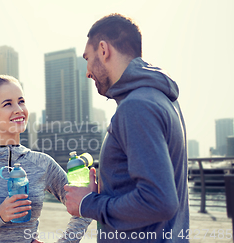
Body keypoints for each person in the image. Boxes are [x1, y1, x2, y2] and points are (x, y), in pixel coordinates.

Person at [64, 13, 189, 242]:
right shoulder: (161, 99)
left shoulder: (137, 107)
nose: (87, 71)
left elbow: (159, 201)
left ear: (103, 49)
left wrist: (88, 203)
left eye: (87, 58)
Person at [0, 75, 92, 243]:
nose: (19, 109)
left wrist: (66, 241)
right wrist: (0, 214)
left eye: (21, 101)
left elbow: (84, 205)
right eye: (7, 104)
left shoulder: (42, 163)